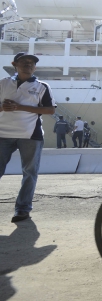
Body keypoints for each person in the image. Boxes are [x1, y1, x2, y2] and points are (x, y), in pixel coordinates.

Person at [0, 52, 56, 223]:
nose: (28, 64)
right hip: (2, 134)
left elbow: (50, 110)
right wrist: (3, 108)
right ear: (14, 64)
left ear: (35, 67)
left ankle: (23, 209)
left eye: (32, 62)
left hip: (30, 135)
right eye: (24, 62)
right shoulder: (3, 84)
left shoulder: (42, 86)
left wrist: (19, 107)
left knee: (29, 173)